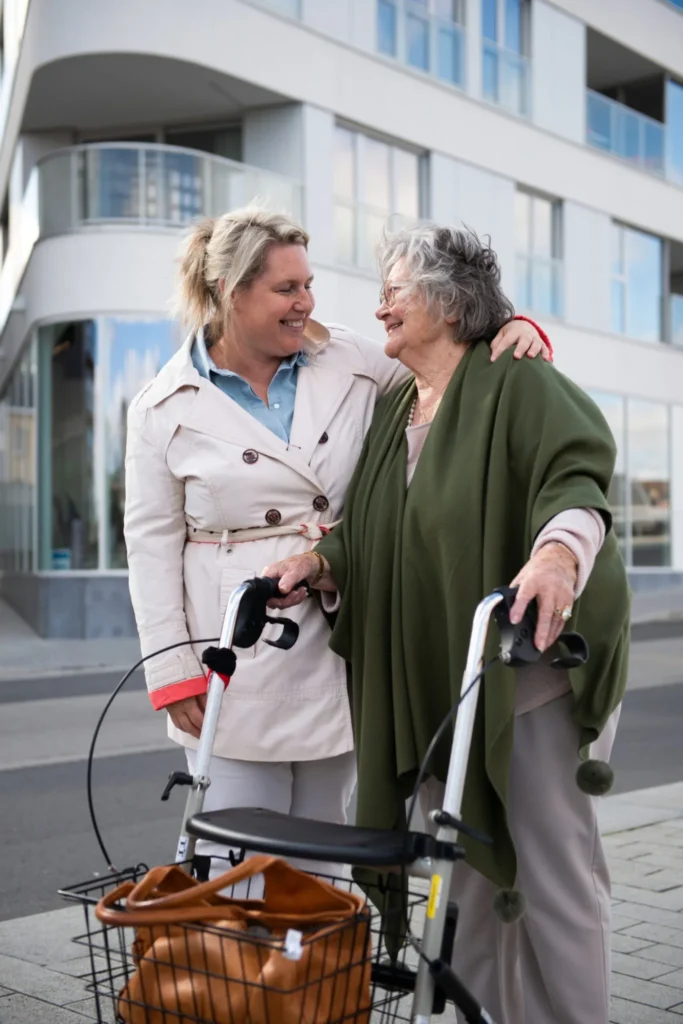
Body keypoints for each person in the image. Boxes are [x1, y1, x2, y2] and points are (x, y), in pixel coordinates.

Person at [265, 224, 630, 1024]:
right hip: (443, 686)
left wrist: (556, 558)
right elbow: (368, 527)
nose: (381, 304)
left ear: (444, 298)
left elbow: (575, 475)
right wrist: (321, 563)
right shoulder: (396, 402)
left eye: (395, 288)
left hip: (527, 673)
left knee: (549, 874)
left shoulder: (518, 378)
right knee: (455, 871)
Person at [123, 207, 551, 881]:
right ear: (233, 294)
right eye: (287, 289)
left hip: (336, 638)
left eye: (308, 284)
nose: (307, 303)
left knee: (320, 871)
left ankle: (316, 984)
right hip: (231, 652)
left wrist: (507, 330)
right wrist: (170, 669)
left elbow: (447, 371)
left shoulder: (349, 357)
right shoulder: (161, 406)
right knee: (235, 870)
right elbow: (148, 545)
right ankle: (238, 986)